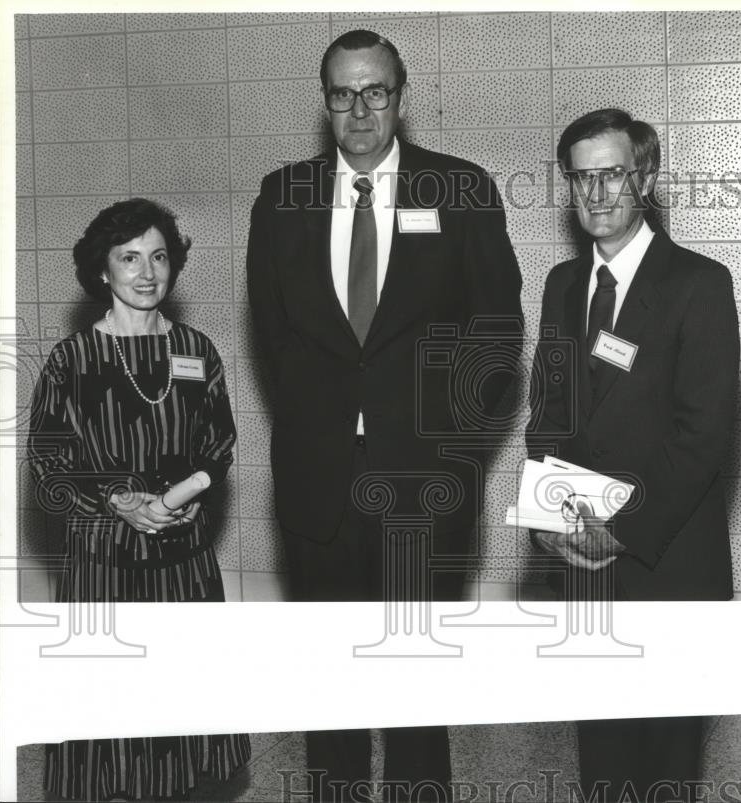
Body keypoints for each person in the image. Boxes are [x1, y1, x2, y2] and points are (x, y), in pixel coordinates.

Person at [246, 29, 522, 802]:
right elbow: (274, 339)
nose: (360, 109)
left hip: (424, 484)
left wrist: (453, 451)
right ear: (325, 102)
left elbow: (497, 336)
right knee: (328, 683)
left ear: (401, 97)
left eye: (375, 91)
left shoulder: (460, 190)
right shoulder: (281, 197)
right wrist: (316, 428)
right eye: (342, 93)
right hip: (319, 485)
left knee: (413, 689)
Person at [527, 110, 740, 801]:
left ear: (643, 177)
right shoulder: (562, 286)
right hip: (585, 571)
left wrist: (617, 528)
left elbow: (702, 437)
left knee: (667, 768)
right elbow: (548, 418)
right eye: (581, 177)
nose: (596, 193)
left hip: (667, 563)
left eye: (611, 173)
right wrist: (551, 515)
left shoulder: (699, 284)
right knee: (604, 764)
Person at [27, 198, 250, 800]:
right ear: (103, 271)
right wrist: (121, 501)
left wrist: (197, 491)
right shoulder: (71, 361)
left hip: (183, 565)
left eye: (159, 256)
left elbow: (219, 444)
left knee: (181, 706)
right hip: (104, 567)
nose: (147, 272)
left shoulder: (197, 351)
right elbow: (48, 469)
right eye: (129, 258)